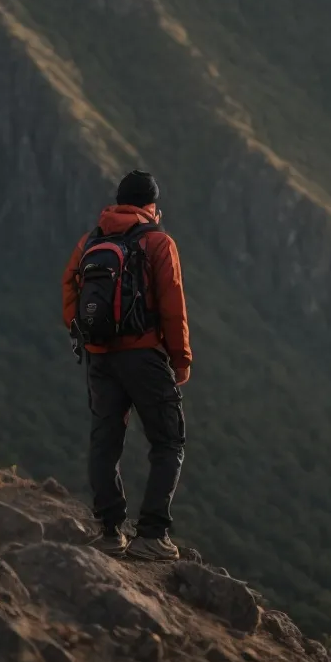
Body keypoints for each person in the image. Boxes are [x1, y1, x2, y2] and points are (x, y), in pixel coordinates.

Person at [61, 169, 190, 560]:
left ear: (119, 201)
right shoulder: (158, 242)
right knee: (167, 441)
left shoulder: (90, 241)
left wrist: (86, 335)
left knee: (106, 440)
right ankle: (151, 535)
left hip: (100, 359)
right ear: (151, 206)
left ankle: (109, 530)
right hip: (144, 355)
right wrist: (180, 359)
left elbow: (69, 294)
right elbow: (173, 307)